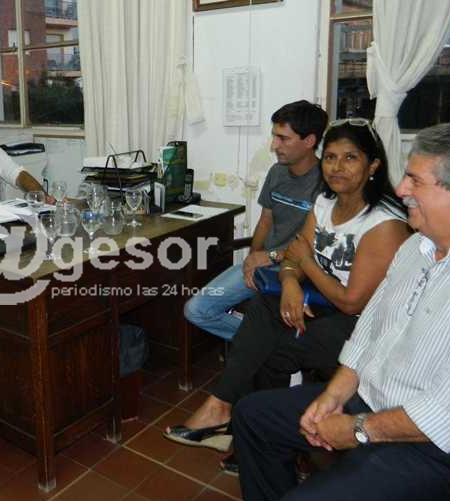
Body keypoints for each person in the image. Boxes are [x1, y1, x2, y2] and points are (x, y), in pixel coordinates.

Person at [232, 120, 450, 501]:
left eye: (415, 181)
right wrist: (334, 396)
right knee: (254, 417)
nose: (401, 190)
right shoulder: (416, 248)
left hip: (440, 447)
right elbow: (369, 332)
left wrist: (357, 429)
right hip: (369, 400)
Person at [165, 119, 410, 452]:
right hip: (322, 302)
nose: (337, 167)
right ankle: (229, 414)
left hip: (361, 324)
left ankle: (248, 431)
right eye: (331, 157)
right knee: (264, 309)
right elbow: (293, 255)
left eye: (350, 158)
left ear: (373, 166)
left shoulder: (383, 223)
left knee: (269, 345)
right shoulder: (325, 203)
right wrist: (291, 283)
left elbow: (351, 301)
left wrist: (304, 264)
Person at [183, 100, 328, 342]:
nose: (274, 145)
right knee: (196, 310)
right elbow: (265, 222)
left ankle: (268, 344)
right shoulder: (277, 172)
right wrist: (252, 259)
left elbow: (317, 248)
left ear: (309, 141)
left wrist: (270, 257)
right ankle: (267, 343)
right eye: (274, 136)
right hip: (264, 263)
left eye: (283, 138)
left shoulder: (327, 183)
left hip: (300, 270)